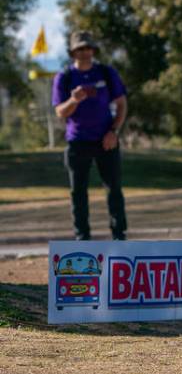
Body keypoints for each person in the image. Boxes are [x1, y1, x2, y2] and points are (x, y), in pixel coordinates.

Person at [52, 31, 129, 241]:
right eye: (80, 49)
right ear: (73, 52)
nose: (85, 53)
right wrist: (73, 100)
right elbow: (60, 112)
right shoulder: (65, 77)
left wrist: (114, 131)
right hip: (78, 142)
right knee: (78, 193)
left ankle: (119, 236)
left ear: (93, 50)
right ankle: (82, 239)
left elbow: (122, 104)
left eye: (88, 48)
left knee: (114, 190)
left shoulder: (106, 72)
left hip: (106, 140)